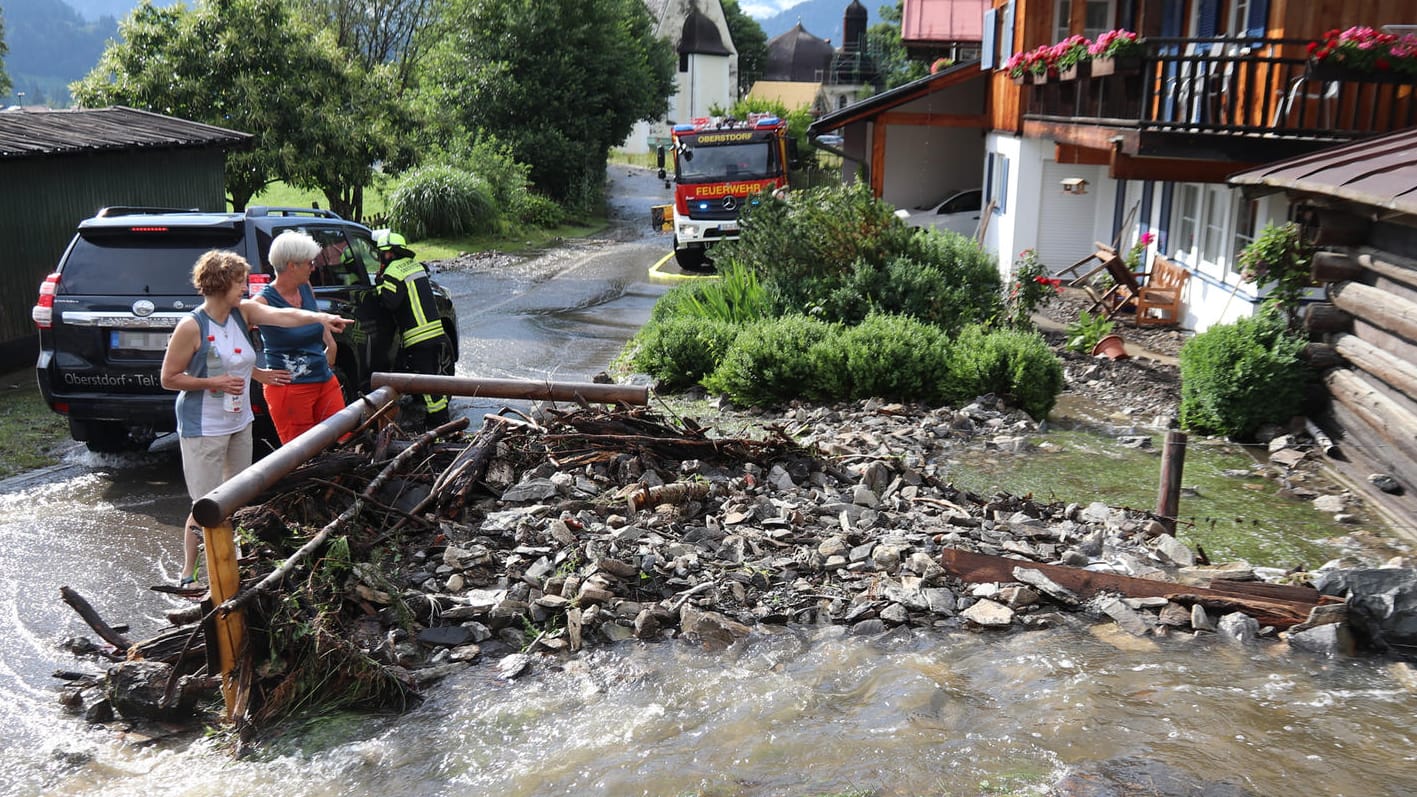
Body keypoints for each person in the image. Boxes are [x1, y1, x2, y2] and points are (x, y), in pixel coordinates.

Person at [160, 250, 350, 586]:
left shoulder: (242, 313)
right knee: (206, 503)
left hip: (239, 421)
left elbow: (282, 316)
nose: (245, 290)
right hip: (203, 425)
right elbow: (169, 378)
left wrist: (319, 321)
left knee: (236, 497)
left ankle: (231, 563)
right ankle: (189, 573)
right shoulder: (192, 326)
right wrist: (212, 382)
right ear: (219, 285)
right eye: (239, 283)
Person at [255, 231, 347, 443]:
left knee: (344, 438)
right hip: (291, 389)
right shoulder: (262, 302)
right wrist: (256, 373)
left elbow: (315, 317)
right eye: (309, 262)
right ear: (291, 266)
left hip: (324, 378)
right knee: (302, 453)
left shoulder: (305, 287)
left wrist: (330, 345)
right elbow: (229, 341)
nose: (313, 268)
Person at [373, 230, 453, 427]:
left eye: (381, 254)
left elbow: (390, 303)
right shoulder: (414, 266)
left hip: (418, 337)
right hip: (435, 333)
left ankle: (439, 423)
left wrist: (379, 284)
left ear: (388, 253)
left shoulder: (393, 271)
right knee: (433, 379)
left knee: (427, 384)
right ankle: (441, 417)